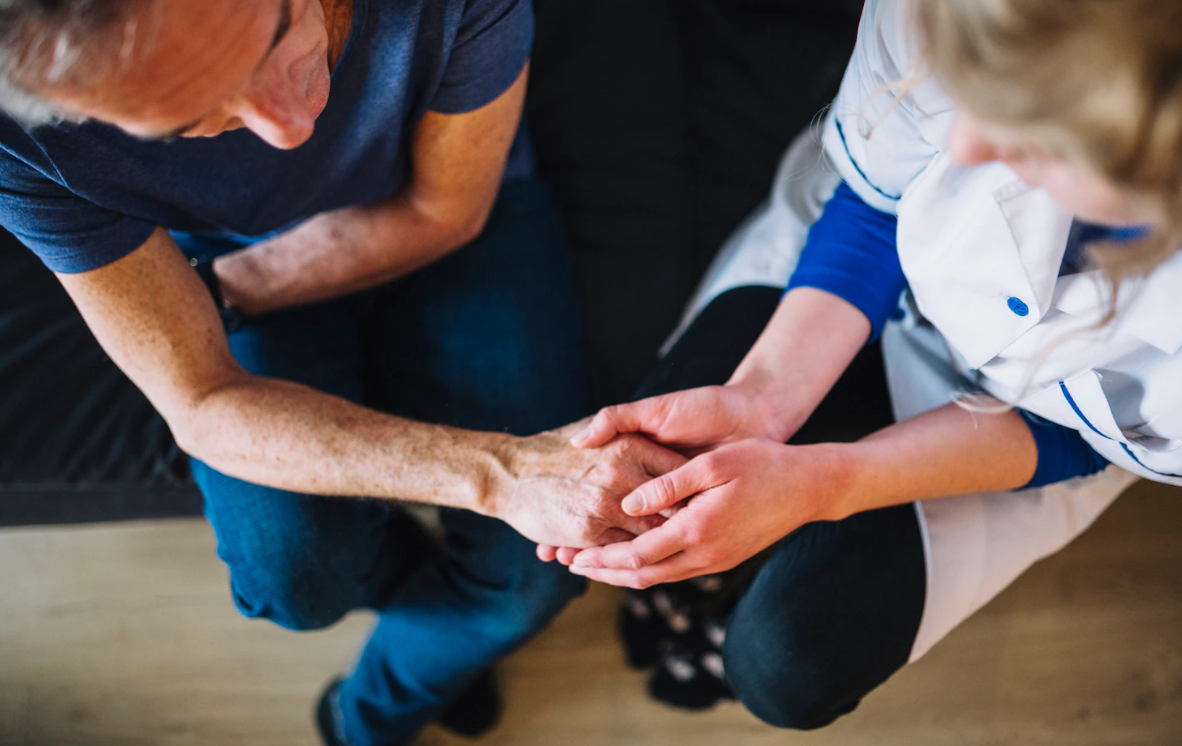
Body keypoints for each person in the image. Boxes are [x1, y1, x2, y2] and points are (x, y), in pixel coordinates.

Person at [0, 1, 686, 744]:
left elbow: (444, 211)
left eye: (274, 37)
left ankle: (368, 712)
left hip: (453, 214)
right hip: (230, 261)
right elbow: (200, 398)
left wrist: (212, 296)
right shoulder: (18, 144)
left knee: (532, 578)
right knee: (293, 584)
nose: (290, 126)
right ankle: (437, 625)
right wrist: (501, 475)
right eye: (185, 122)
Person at [541, 0, 1182, 729]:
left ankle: (725, 637)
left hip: (1034, 421)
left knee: (788, 666)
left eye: (1031, 130)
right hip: (853, 284)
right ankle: (695, 588)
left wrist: (828, 484)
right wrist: (764, 397)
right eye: (968, 89)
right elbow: (878, 204)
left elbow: (1084, 435)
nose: (964, 146)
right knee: (664, 465)